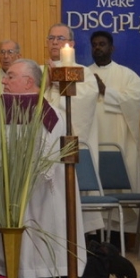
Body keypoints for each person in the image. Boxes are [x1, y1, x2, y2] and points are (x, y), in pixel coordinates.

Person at [0, 58, 86, 278]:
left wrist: (24, 176)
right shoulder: (6, 109)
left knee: (39, 219)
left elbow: (49, 156)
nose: (3, 81)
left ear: (29, 81)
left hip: (40, 185)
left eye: (10, 76)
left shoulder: (47, 112)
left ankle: (41, 269)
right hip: (13, 183)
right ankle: (8, 268)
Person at [43, 23, 101, 235]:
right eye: (51, 38)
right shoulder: (40, 72)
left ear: (72, 44)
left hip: (66, 149)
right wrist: (46, 84)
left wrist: (58, 83)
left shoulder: (82, 72)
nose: (55, 42)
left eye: (61, 38)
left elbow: (83, 104)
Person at [88, 30, 140, 237]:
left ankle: (116, 236)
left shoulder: (128, 75)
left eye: (102, 44)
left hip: (118, 137)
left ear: (112, 48)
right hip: (93, 137)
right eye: (94, 44)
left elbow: (134, 101)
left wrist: (106, 91)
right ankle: (95, 233)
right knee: (95, 184)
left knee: (118, 181)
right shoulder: (84, 74)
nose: (98, 48)